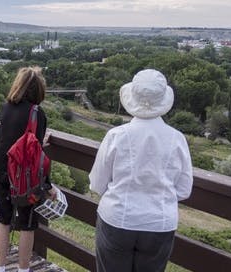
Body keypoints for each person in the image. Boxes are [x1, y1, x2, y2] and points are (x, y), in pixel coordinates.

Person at [89, 69, 193, 272]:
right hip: (159, 223)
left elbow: (97, 183)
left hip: (117, 218)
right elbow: (184, 189)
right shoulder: (177, 138)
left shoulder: (116, 135)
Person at [0, 67, 56, 272]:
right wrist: (48, 185)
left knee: (3, 221)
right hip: (24, 178)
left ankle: (0, 268)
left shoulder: (7, 107)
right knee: (27, 225)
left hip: (1, 169)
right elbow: (36, 156)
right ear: (38, 89)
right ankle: (23, 270)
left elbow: (8, 137)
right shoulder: (37, 113)